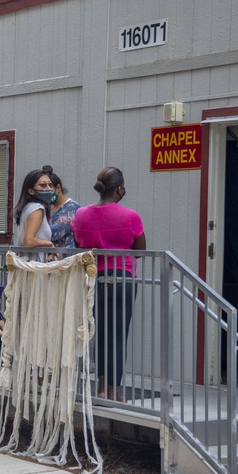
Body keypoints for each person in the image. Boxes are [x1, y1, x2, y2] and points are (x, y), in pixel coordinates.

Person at [72, 166, 146, 401]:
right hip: (122, 278)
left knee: (101, 334)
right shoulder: (130, 216)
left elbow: (78, 243)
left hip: (93, 279)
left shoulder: (81, 214)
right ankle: (113, 391)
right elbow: (141, 250)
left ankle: (101, 388)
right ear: (119, 189)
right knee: (117, 336)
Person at [13, 168, 54, 261]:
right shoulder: (37, 208)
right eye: (43, 185)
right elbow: (29, 241)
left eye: (50, 185)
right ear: (31, 191)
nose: (48, 188)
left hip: (26, 262)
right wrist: (49, 243)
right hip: (35, 263)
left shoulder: (27, 207)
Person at [46, 165, 80, 249]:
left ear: (58, 188)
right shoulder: (47, 206)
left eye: (49, 189)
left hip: (65, 258)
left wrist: (32, 230)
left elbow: (56, 232)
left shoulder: (72, 207)